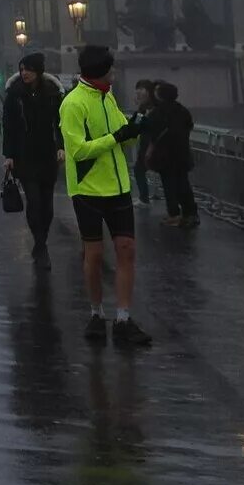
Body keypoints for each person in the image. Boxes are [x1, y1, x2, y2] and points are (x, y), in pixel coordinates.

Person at [61, 45, 152, 347]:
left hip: (118, 186)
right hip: (88, 188)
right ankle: (96, 313)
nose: (114, 74)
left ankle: (123, 318)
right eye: (111, 69)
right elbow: (78, 150)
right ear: (100, 71)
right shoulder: (73, 104)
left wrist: (136, 129)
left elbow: (120, 134)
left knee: (126, 250)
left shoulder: (108, 96)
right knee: (95, 254)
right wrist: (117, 137)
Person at [2, 52, 64, 261]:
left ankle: (42, 237)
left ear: (38, 71)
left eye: (28, 69)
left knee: (47, 205)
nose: (24, 73)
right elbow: (8, 126)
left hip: (47, 155)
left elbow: (60, 123)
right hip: (24, 156)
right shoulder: (14, 95)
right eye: (22, 69)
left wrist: (61, 146)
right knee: (34, 200)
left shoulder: (53, 94)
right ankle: (39, 243)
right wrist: (9, 155)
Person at [150, 81, 200, 228]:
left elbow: (150, 130)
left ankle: (174, 214)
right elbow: (189, 126)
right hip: (182, 154)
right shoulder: (182, 110)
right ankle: (190, 213)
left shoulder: (157, 112)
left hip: (165, 156)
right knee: (184, 184)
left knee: (169, 186)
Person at [130, 80, 160, 203]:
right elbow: (136, 124)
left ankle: (145, 198)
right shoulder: (143, 108)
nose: (138, 96)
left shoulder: (157, 108)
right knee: (139, 169)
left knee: (166, 174)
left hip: (156, 144)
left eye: (141, 93)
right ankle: (144, 198)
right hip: (145, 144)